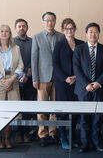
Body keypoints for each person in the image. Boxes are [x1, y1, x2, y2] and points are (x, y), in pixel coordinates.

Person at [73, 22, 103, 153]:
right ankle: (84, 143)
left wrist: (97, 83)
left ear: (99, 34)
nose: (93, 34)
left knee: (97, 119)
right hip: (83, 89)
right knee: (84, 118)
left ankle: (97, 143)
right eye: (90, 32)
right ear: (86, 34)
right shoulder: (79, 49)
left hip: (99, 88)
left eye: (96, 32)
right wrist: (87, 84)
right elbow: (76, 69)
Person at [0, 24, 24, 149]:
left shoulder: (16, 48)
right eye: (1, 31)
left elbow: (21, 65)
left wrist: (11, 80)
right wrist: (4, 81)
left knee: (11, 113)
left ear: (10, 34)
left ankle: (8, 139)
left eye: (7, 31)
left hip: (13, 83)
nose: (4, 33)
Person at [31, 11, 64, 146]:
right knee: (42, 107)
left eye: (52, 20)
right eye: (47, 20)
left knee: (55, 107)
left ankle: (53, 132)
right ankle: (42, 133)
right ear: (43, 22)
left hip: (57, 78)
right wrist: (35, 78)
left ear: (55, 22)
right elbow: (34, 59)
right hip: (42, 77)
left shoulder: (61, 37)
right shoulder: (37, 37)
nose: (50, 23)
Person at [52, 18, 84, 149]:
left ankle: (72, 137)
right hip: (63, 82)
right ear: (62, 30)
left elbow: (84, 63)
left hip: (78, 82)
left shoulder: (81, 44)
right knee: (62, 111)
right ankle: (63, 137)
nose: (69, 31)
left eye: (71, 28)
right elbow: (55, 64)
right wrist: (66, 78)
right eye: (66, 29)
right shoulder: (59, 44)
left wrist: (77, 77)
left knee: (75, 111)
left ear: (75, 29)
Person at [14, 19, 36, 143]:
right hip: (15, 79)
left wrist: (28, 72)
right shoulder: (11, 42)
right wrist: (19, 75)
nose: (21, 28)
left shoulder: (33, 41)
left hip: (30, 78)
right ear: (15, 28)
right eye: (19, 26)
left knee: (28, 106)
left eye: (24, 26)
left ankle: (26, 132)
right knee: (17, 106)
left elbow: (35, 58)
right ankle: (17, 132)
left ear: (27, 27)